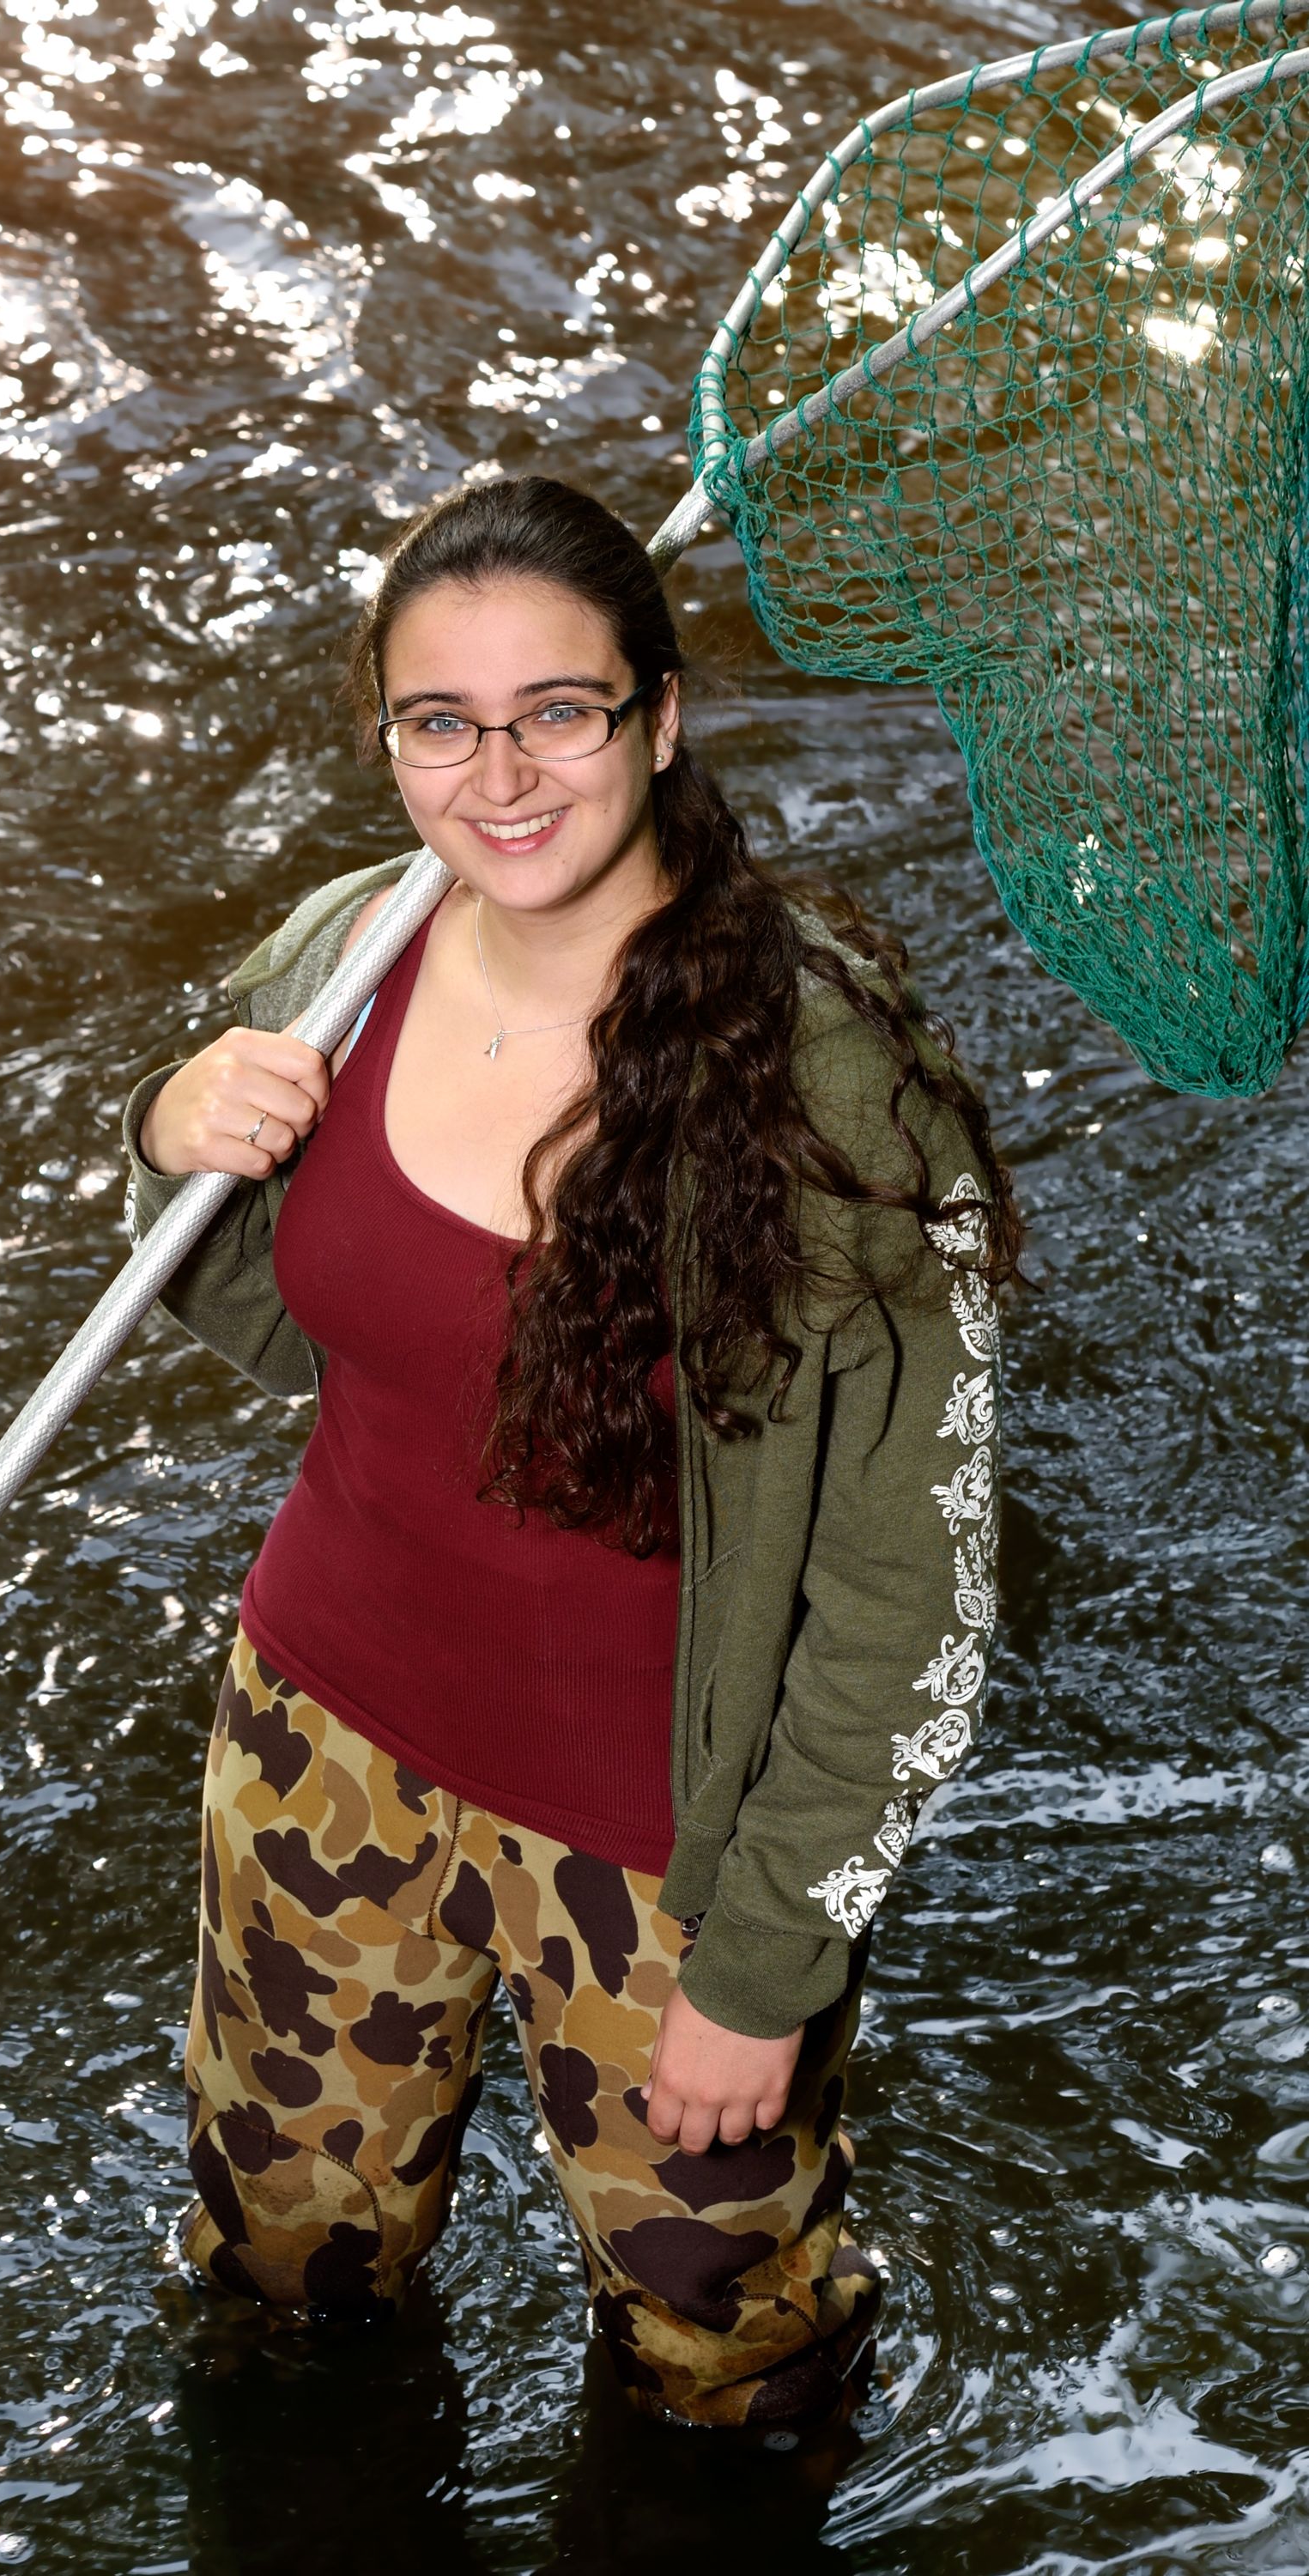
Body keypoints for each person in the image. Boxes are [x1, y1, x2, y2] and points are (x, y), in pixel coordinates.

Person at [120, 474, 1020, 2431]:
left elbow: (915, 1588)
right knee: (287, 2274)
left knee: (729, 2351)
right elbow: (280, 1318)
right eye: (440, 722)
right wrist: (171, 1140)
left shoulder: (829, 1081)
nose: (499, 774)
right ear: (388, 741)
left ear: (663, 719)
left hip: (658, 1843)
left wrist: (768, 1956)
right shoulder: (342, 958)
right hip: (319, 1751)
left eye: (561, 710)